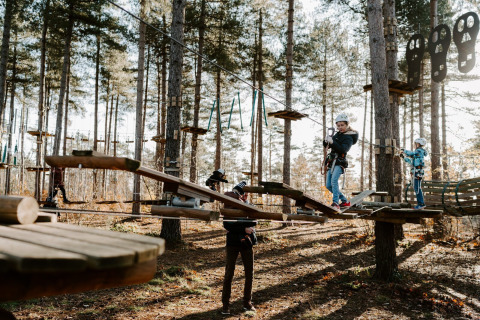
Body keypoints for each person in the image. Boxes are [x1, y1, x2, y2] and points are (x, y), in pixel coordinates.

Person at [221, 181, 257, 315]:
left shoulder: (249, 206)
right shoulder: (229, 206)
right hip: (232, 243)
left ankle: (247, 303)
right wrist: (243, 228)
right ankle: (225, 305)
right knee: (229, 273)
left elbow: (254, 222)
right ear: (239, 195)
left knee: (249, 273)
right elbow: (227, 225)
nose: (246, 197)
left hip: (247, 243)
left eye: (248, 195)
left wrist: (244, 228)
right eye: (244, 195)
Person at [323, 114, 358, 211]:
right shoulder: (337, 135)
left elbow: (343, 149)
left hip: (339, 162)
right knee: (328, 185)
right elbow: (329, 145)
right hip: (332, 161)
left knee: (334, 181)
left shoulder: (349, 137)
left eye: (342, 125)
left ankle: (335, 203)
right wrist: (326, 141)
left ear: (347, 124)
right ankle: (344, 201)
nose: (340, 127)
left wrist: (333, 142)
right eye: (338, 126)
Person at [401, 138, 428, 210]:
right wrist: (403, 157)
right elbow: (411, 161)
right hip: (416, 172)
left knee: (417, 188)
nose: (414, 145)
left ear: (418, 144)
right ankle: (421, 203)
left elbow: (411, 153)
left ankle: (421, 204)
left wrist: (404, 151)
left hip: (418, 172)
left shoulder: (419, 151)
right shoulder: (417, 154)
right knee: (417, 187)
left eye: (415, 144)